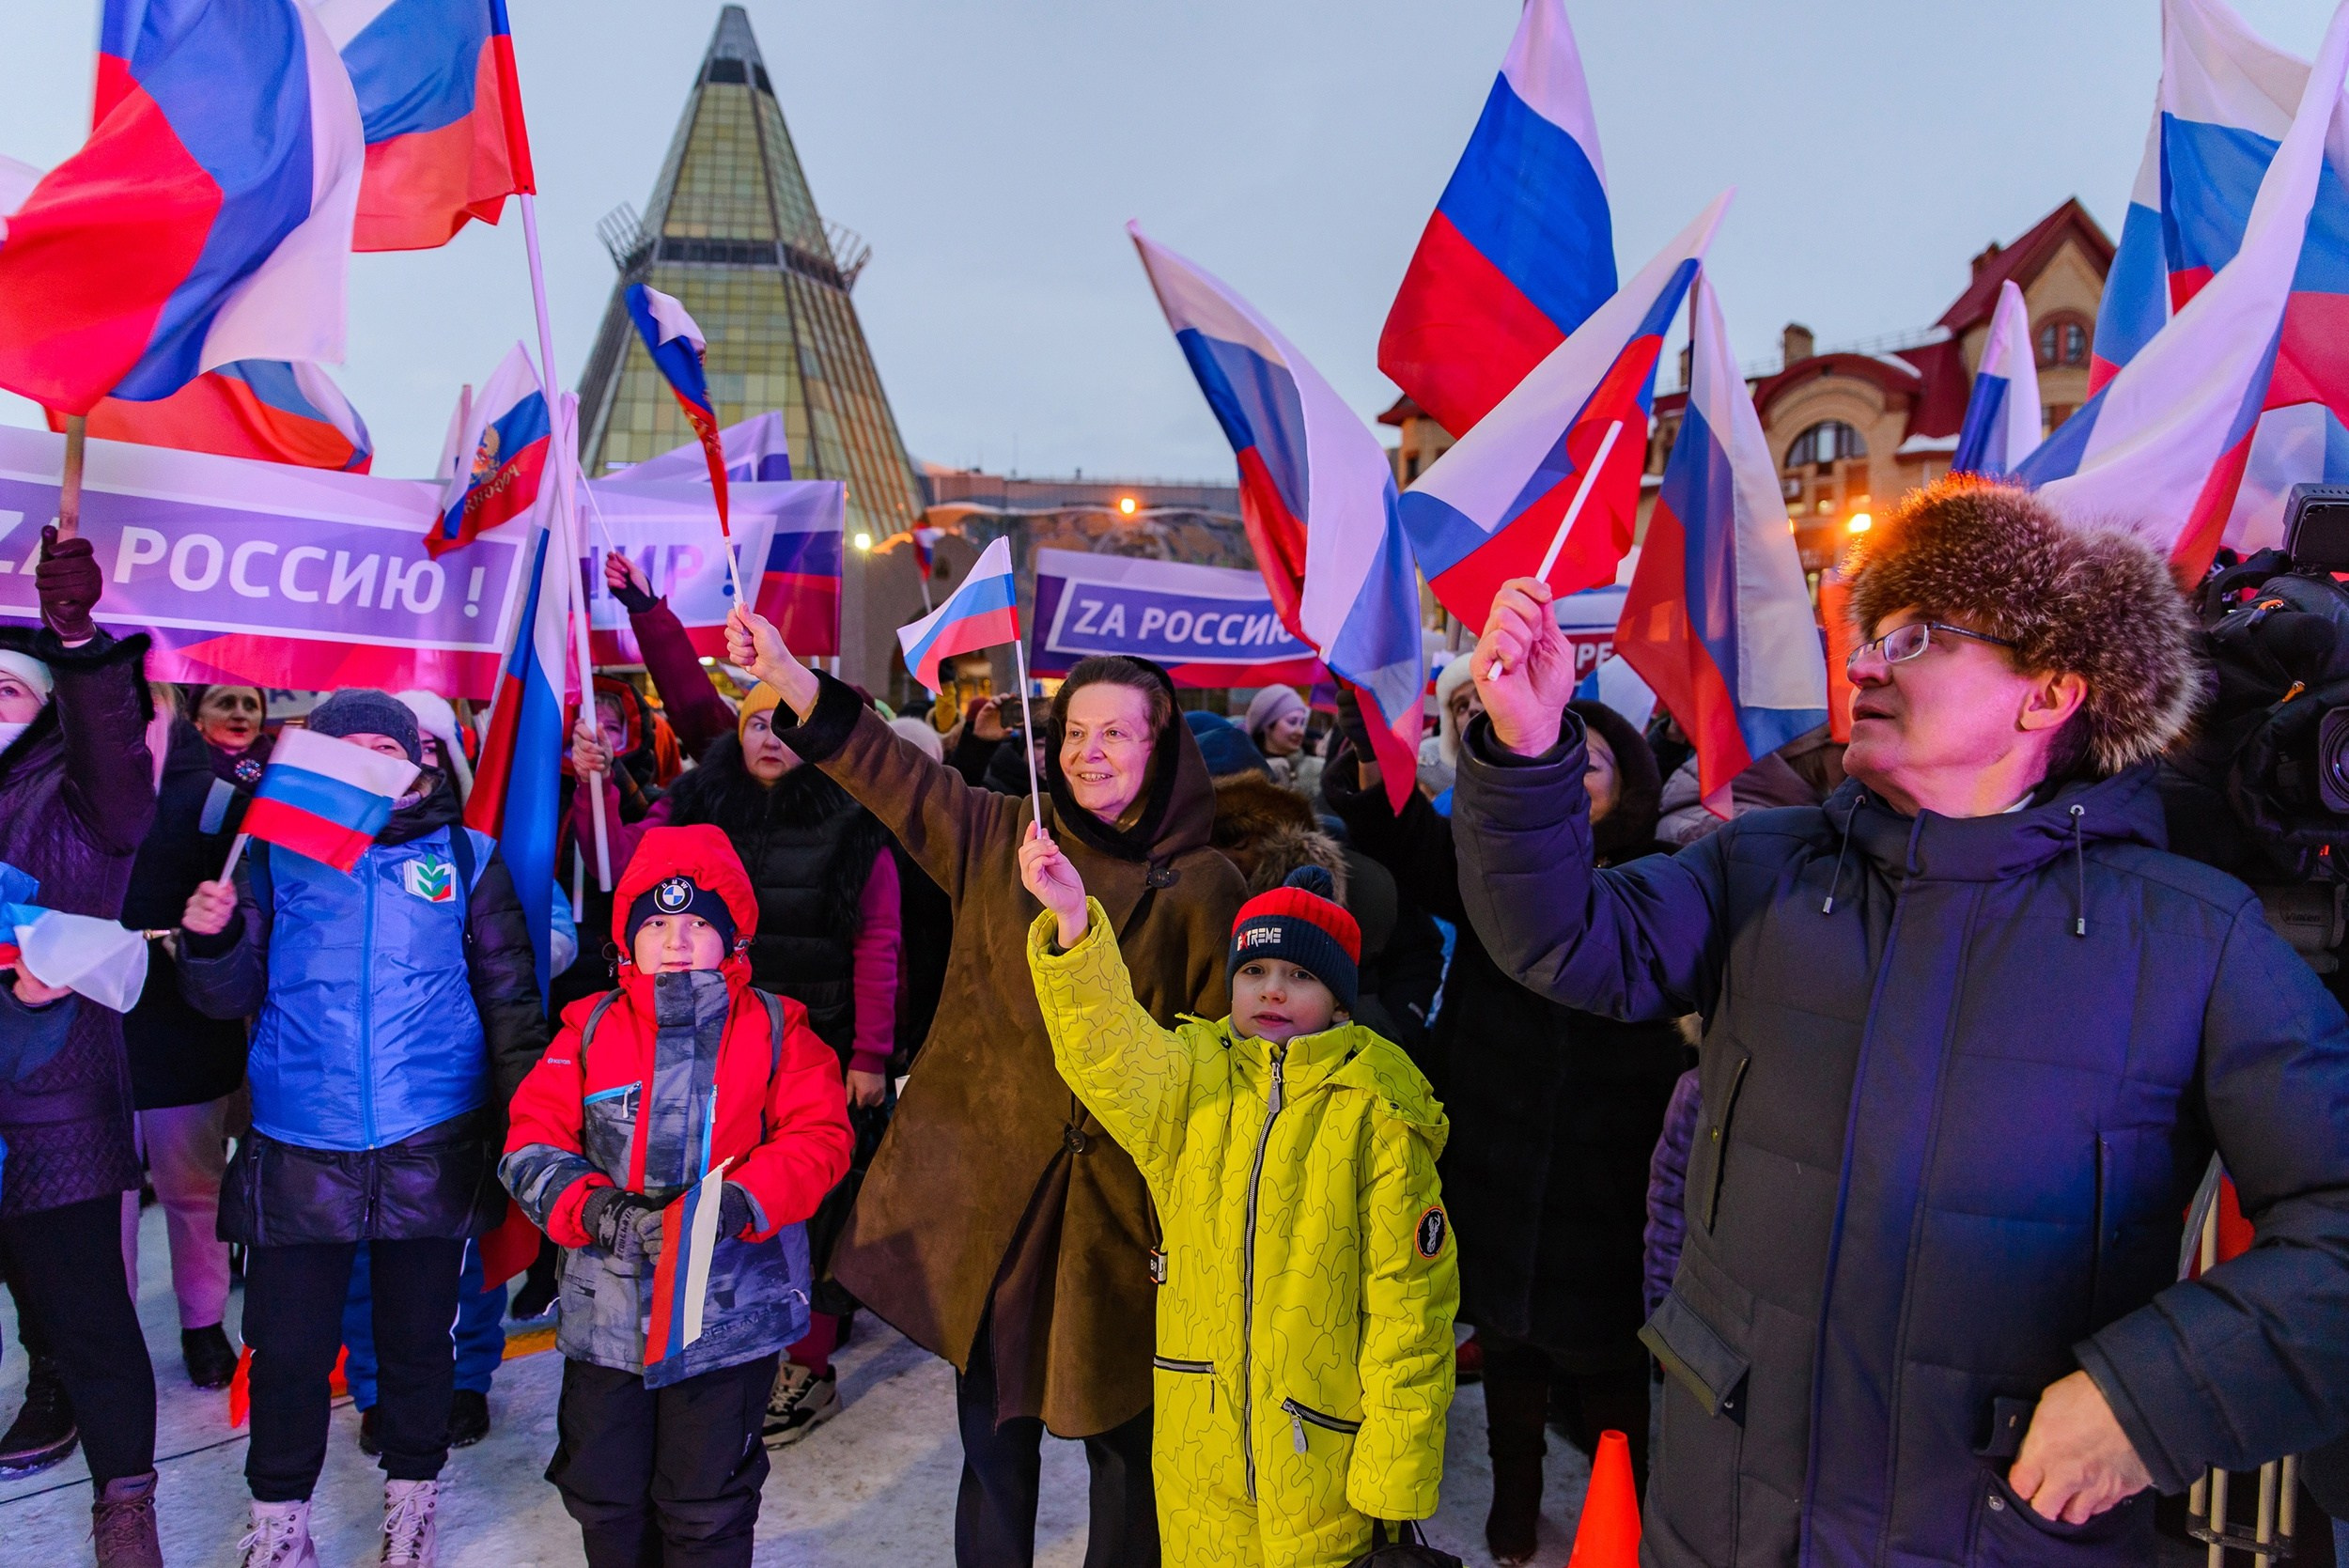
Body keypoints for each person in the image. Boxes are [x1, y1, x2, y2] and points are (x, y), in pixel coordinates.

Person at [1451, 476, 2349, 1560]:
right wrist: (1527, 749)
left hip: (1993, 1526)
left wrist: (2149, 1397)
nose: (1865, 662)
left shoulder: (2192, 936)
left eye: (1917, 635)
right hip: (1728, 1512)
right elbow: (1563, 938)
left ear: (2048, 693)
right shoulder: (1763, 866)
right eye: (1869, 634)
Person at [727, 602, 1248, 1568]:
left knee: (1128, 1452)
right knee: (993, 1445)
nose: (1090, 753)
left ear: (1161, 747)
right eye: (1075, 733)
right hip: (997, 1204)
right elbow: (892, 770)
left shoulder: (1208, 884)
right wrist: (795, 678)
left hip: (1123, 1217)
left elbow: (1217, 1071)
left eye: (1116, 734)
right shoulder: (1005, 833)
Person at [178, 688, 549, 1568]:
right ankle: (279, 1523)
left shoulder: (469, 854)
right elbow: (222, 997)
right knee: (289, 1350)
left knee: (421, 1342)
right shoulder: (269, 857)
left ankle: (413, 1507)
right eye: (367, 747)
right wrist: (214, 940)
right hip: (301, 1139)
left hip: (429, 1138)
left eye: (405, 745)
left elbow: (509, 1000)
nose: (392, 760)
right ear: (329, 766)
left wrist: (531, 1129)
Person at [1018, 838, 1455, 1568]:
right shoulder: (1192, 1082)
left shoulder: (1376, 1114)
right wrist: (1071, 924)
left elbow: (1411, 1312)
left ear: (1341, 998)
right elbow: (1110, 1050)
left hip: (1324, 1468)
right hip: (1201, 1459)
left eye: (1298, 974)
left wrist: (1393, 1482)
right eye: (1253, 971)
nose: (1271, 991)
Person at [579, 554, 902, 1447]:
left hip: (818, 1043)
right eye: (753, 720)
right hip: (711, 1048)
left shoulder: (852, 818)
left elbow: (881, 942)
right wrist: (645, 614)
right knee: (727, 1197)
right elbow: (629, 852)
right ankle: (726, 1332)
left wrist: (871, 1057)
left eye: (786, 721)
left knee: (814, 1199)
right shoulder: (700, 802)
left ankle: (807, 1356)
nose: (768, 735)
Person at [502, 825, 852, 1568]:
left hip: (727, 1321)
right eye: (657, 924)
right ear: (629, 939)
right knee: (606, 1492)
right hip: (608, 1318)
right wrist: (595, 1208)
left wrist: (736, 1202)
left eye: (698, 923)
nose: (678, 940)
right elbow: (532, 1140)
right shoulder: (587, 1029)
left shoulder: (779, 1030)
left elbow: (819, 1140)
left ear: (732, 938)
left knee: (706, 1503)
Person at [0, 526, 163, 1565]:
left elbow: (117, 760)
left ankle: (127, 1507)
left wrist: (77, 640)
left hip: (48, 1095)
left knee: (90, 1312)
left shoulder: (81, 789)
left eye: (7, 690)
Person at [119, 688, 249, 1392]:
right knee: (101, 1191)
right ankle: (110, 1336)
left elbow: (246, 903)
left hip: (182, 1016)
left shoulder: (215, 796)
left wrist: (212, 926)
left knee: (192, 1185)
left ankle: (203, 1323)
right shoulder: (59, 784)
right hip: (87, 1020)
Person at [1244, 683, 1319, 797]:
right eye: (1292, 722)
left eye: (1303, 723)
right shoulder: (1247, 771)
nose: (1300, 731)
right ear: (1268, 725)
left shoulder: (1313, 769)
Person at [191, 683, 272, 787]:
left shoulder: (284, 769)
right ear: (198, 718)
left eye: (250, 706)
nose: (240, 715)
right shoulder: (177, 766)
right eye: (226, 705)